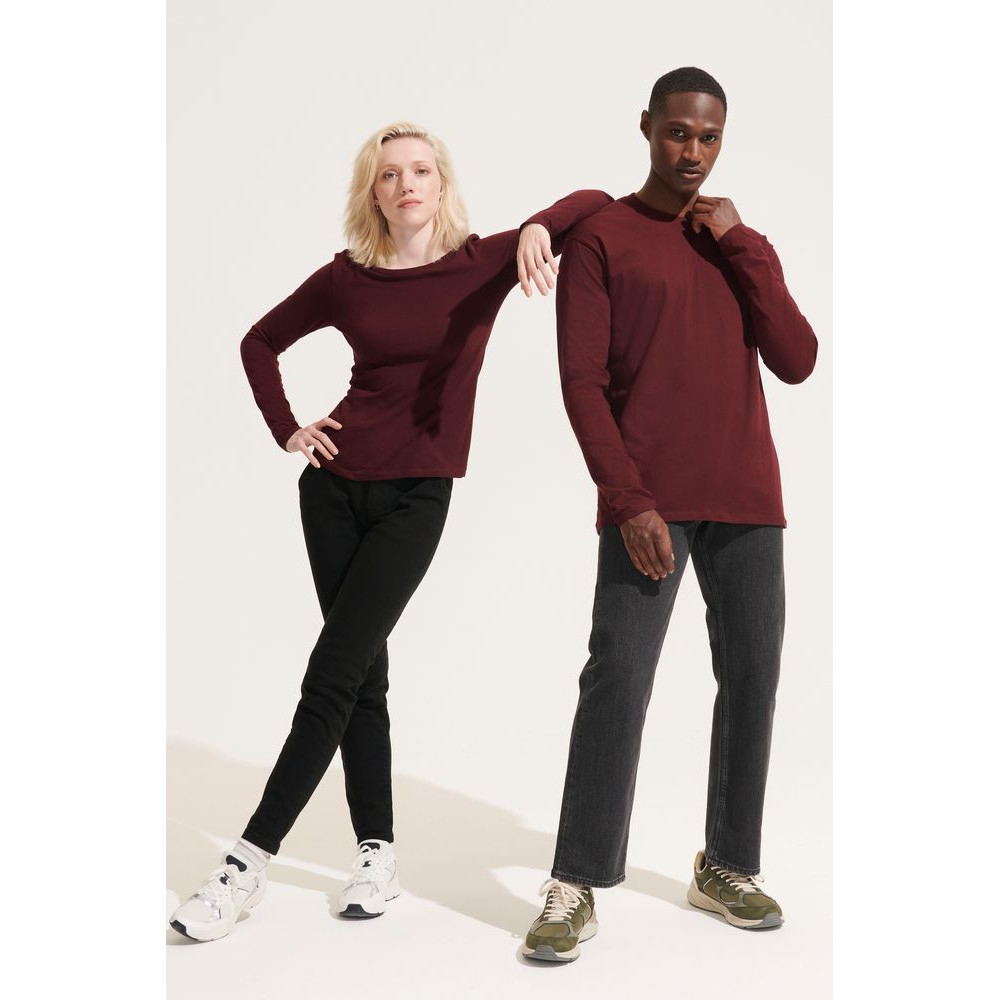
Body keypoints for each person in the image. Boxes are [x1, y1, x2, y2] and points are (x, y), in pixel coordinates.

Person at [169, 121, 612, 942]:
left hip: (416, 497)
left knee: (331, 673)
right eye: (389, 174)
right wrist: (289, 428)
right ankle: (377, 853)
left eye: (421, 170)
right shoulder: (348, 278)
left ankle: (245, 864)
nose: (406, 184)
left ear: (442, 184)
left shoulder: (481, 262)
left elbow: (597, 201)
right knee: (359, 674)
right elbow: (258, 341)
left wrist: (539, 226)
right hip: (332, 492)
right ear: (372, 192)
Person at [521, 67, 818, 963]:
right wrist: (629, 500)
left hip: (747, 498)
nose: (693, 152)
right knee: (618, 676)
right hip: (647, 503)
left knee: (754, 677)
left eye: (710, 137)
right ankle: (575, 881)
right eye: (679, 132)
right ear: (647, 126)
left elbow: (797, 358)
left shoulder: (735, 243)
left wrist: (743, 243)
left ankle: (727, 865)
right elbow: (582, 384)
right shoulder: (603, 237)